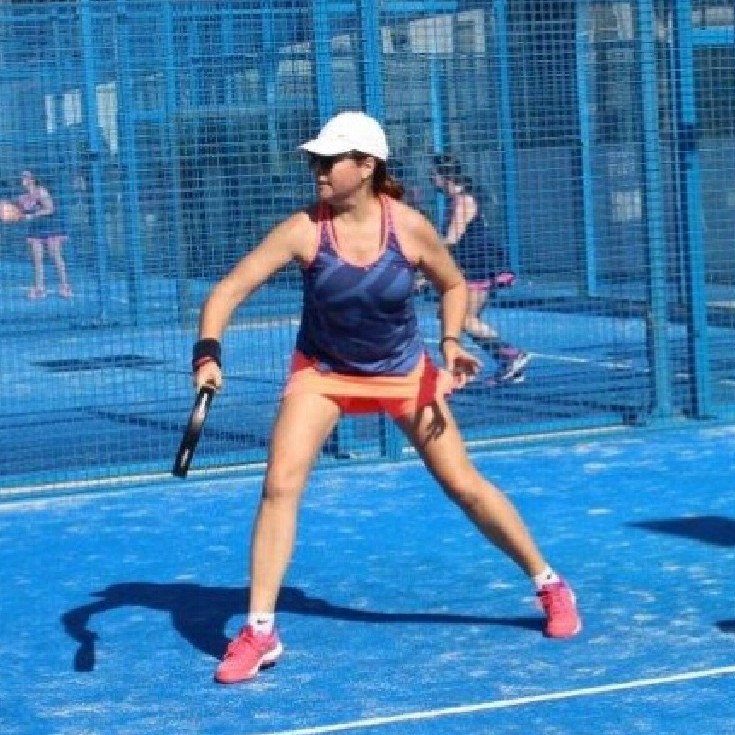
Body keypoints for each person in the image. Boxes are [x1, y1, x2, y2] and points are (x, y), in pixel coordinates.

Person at [192, 111, 581, 685]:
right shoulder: (303, 229)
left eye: (330, 161)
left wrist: (451, 343)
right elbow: (229, 289)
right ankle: (260, 630)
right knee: (279, 485)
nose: (318, 170)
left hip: (403, 373)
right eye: (316, 160)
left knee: (464, 486)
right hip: (323, 373)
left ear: (367, 165)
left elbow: (453, 282)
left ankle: (549, 583)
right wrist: (207, 354)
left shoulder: (408, 227)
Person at [431, 154, 529, 384]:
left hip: (479, 266)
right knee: (460, 317)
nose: (431, 179)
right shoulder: (455, 201)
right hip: (469, 265)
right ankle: (508, 364)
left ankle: (512, 355)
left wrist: (423, 251)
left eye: (433, 174)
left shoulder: (464, 201)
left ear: (445, 177)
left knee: (458, 317)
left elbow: (452, 239)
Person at [17, 170, 72, 299]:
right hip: (35, 228)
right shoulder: (23, 197)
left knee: (55, 256)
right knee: (37, 258)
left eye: (26, 176)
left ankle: (65, 287)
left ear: (32, 179)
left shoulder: (41, 191)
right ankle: (40, 289)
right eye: (22, 176)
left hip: (50, 226)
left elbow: (50, 209)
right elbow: (23, 213)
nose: (23, 178)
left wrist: (33, 215)